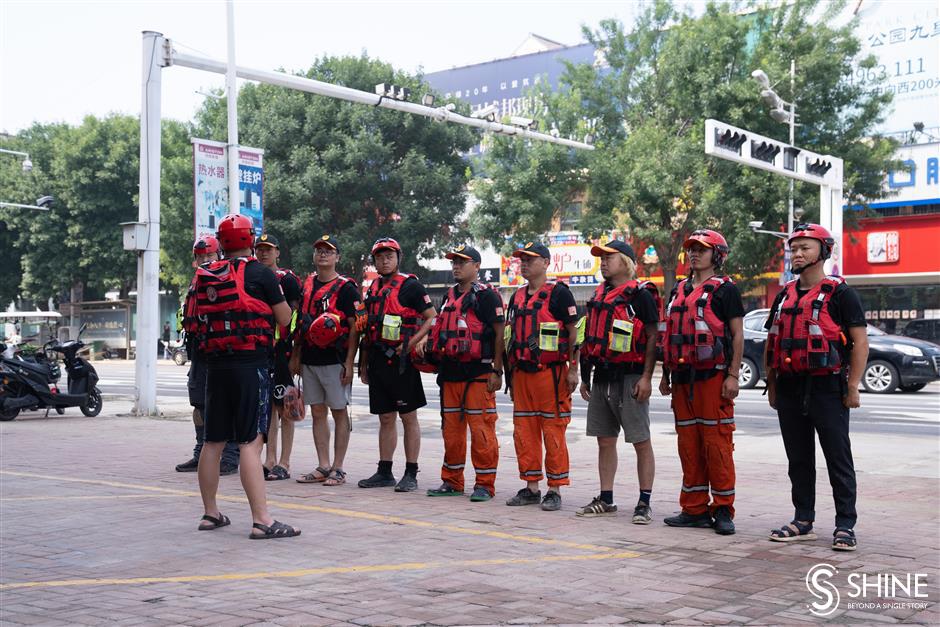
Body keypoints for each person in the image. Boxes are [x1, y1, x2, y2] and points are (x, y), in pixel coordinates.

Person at [194, 214, 299, 540]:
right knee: (251, 443)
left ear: (221, 243)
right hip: (250, 366)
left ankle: (211, 513)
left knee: (212, 442)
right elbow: (285, 318)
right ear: (250, 240)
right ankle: (262, 520)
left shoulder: (207, 274)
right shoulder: (260, 273)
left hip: (215, 367)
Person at [765, 223, 868, 552]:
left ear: (824, 251)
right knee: (798, 457)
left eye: (805, 248)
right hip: (790, 385)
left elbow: (860, 343)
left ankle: (845, 524)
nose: (796, 253)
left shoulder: (841, 293)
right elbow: (774, 340)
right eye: (793, 248)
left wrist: (853, 386)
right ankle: (803, 519)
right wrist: (772, 385)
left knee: (838, 456)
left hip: (827, 386)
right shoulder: (784, 295)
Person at [659, 229, 744, 536]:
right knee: (689, 446)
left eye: (702, 249)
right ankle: (693, 509)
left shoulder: (725, 291)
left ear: (716, 256)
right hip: (682, 380)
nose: (694, 254)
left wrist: (732, 375)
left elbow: (737, 335)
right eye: (691, 249)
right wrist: (666, 377)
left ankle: (722, 509)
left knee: (717, 444)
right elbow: (669, 335)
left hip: (713, 379)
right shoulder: (677, 290)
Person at [577, 240, 658, 523]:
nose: (603, 262)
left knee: (640, 441)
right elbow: (587, 337)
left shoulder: (641, 295)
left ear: (625, 261)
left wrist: (647, 377)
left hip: (631, 376)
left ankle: (644, 502)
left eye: (608, 257)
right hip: (601, 377)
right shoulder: (598, 295)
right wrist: (585, 377)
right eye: (601, 258)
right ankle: (606, 498)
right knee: (604, 441)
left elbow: (651, 337)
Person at [425, 245, 504, 502]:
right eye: (454, 262)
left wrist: (497, 370)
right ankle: (452, 481)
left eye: (462, 262)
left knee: (481, 430)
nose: (456, 266)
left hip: (478, 374)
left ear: (477, 266)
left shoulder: (487, 296)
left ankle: (485, 484)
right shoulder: (449, 295)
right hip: (450, 374)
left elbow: (500, 333)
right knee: (451, 432)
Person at [504, 242, 580, 511]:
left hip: (552, 374)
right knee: (524, 431)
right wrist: (509, 375)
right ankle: (531, 486)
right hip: (522, 374)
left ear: (546, 263)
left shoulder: (559, 294)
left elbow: (574, 333)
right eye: (522, 260)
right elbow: (510, 337)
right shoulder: (517, 296)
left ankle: (555, 489)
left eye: (530, 259)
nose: (524, 264)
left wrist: (573, 368)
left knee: (553, 430)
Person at [358, 237, 437, 492]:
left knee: (408, 416)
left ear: (398, 257)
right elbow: (367, 327)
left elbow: (431, 318)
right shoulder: (372, 288)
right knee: (385, 417)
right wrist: (364, 363)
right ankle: (384, 471)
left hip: (402, 361)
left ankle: (411, 472)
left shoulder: (410, 286)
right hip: (379, 359)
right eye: (380, 256)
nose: (384, 260)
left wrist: (412, 343)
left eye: (389, 255)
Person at [294, 235, 364, 487]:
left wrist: (349, 362)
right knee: (317, 412)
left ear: (337, 257)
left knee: (339, 411)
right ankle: (323, 465)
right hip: (310, 359)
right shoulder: (308, 284)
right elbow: (300, 324)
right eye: (319, 250)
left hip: (335, 360)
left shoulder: (346, 288)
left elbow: (356, 327)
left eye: (329, 251)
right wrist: (296, 356)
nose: (323, 254)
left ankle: (338, 468)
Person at [176, 235, 239, 475]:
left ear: (219, 255)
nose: (204, 260)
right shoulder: (196, 282)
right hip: (199, 351)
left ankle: (231, 456)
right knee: (199, 404)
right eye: (200, 256)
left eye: (209, 255)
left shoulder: (225, 279)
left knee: (228, 404)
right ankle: (200, 452)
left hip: (222, 351)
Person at [254, 233, 303, 481]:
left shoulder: (288, 279)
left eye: (268, 249)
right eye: (259, 249)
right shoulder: (251, 277)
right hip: (260, 351)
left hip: (283, 351)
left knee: (287, 406)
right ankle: (269, 459)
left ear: (277, 253)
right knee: (268, 410)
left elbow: (296, 316)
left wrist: (294, 352)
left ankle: (284, 462)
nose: (263, 253)